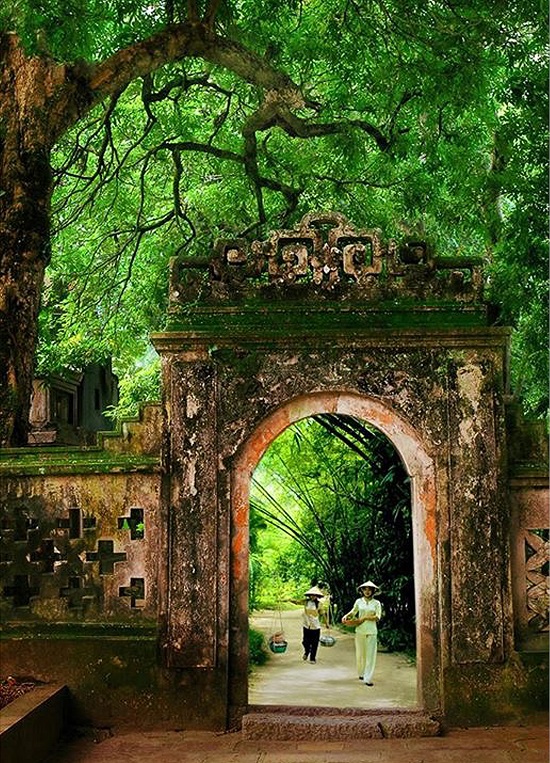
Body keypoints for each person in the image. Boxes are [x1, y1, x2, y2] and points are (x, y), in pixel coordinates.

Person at [342, 580, 382, 686]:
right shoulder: (358, 601)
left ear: (373, 591)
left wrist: (364, 617)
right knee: (360, 654)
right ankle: (361, 673)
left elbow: (378, 617)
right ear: (362, 590)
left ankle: (368, 678)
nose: (367, 591)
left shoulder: (376, 603)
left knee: (370, 655)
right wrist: (346, 616)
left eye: (370, 589)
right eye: (365, 589)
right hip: (360, 630)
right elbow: (353, 612)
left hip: (372, 631)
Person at [301, 585, 324, 663]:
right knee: (305, 642)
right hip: (306, 625)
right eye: (312, 595)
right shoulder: (306, 602)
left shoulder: (319, 604)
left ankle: (312, 658)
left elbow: (322, 613)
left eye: (314, 595)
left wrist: (327, 623)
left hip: (315, 626)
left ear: (317, 596)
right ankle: (307, 652)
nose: (313, 596)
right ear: (309, 595)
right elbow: (296, 601)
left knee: (315, 643)